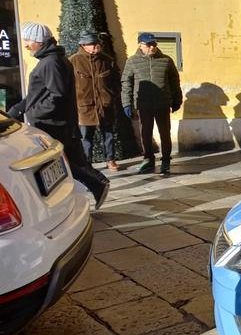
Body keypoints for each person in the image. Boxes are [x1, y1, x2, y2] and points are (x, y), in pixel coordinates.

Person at [7, 22, 109, 207]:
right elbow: (38, 95)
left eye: (28, 41)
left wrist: (34, 112)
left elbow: (57, 95)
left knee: (59, 163)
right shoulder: (52, 60)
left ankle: (95, 184)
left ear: (39, 41)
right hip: (57, 122)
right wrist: (18, 110)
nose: (26, 45)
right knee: (69, 160)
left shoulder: (51, 62)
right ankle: (96, 185)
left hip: (52, 124)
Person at [121, 32, 182, 174]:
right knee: (145, 133)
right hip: (143, 105)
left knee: (165, 133)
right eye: (149, 45)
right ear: (140, 45)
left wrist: (177, 99)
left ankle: (166, 159)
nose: (152, 47)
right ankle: (148, 159)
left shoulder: (166, 60)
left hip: (163, 104)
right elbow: (126, 83)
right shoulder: (132, 61)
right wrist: (126, 103)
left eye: (154, 44)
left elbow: (174, 81)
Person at [70, 29, 120, 171]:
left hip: (105, 105)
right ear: (84, 45)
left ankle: (110, 160)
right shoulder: (74, 61)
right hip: (85, 107)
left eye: (97, 43)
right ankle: (87, 163)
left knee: (108, 135)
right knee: (86, 138)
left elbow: (117, 81)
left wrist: (112, 95)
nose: (96, 46)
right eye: (92, 44)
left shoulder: (107, 60)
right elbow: (68, 85)